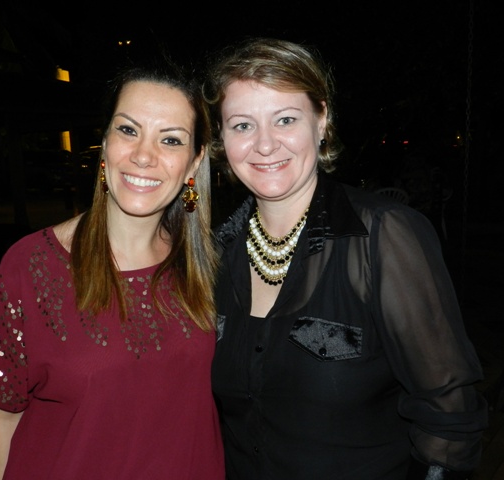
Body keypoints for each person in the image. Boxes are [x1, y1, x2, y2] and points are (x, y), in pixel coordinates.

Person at [204, 37, 488, 479]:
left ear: (322, 121)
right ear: (222, 139)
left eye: (285, 119)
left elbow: (450, 413)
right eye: (242, 125)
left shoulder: (384, 236)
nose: (265, 144)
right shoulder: (215, 253)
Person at [0, 58, 224, 480]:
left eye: (171, 139)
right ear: (104, 143)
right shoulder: (30, 266)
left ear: (195, 162)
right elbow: (4, 414)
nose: (143, 155)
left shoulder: (209, 267)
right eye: (128, 130)